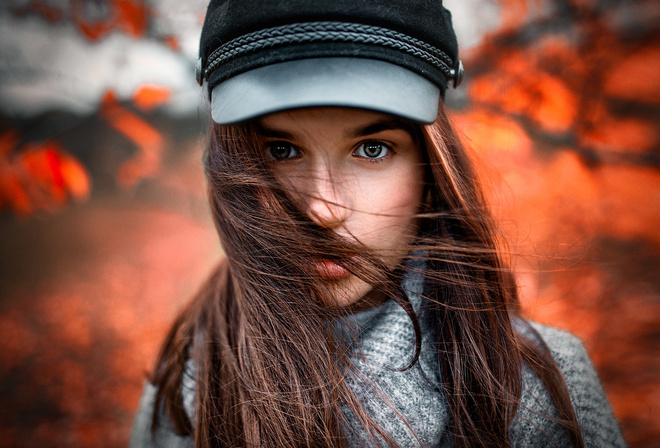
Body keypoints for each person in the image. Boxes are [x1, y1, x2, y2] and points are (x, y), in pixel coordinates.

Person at [128, 0, 626, 446]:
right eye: (281, 150)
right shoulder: (183, 381)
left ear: (431, 167)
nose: (323, 209)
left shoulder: (540, 386)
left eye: (372, 149)